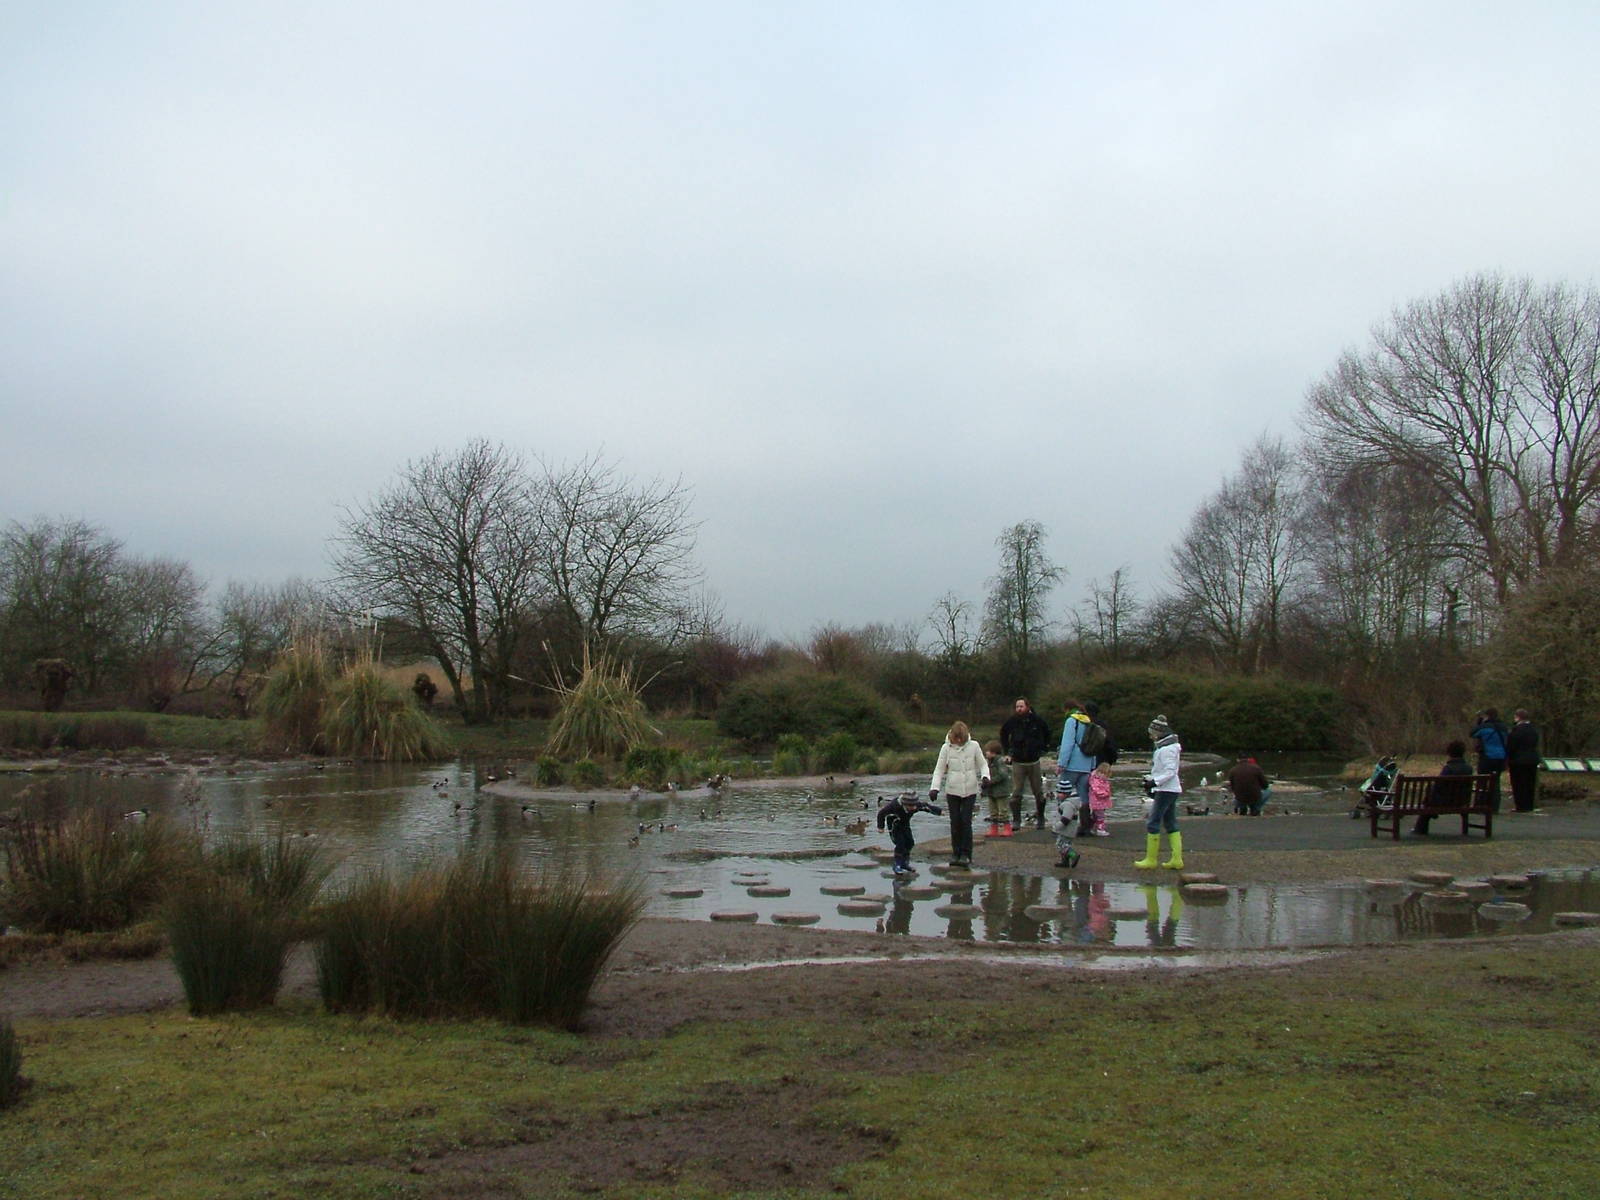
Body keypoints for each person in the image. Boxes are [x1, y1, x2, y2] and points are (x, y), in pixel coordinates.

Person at [929, 720, 989, 868]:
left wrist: (985, 777)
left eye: (962, 739)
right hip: (952, 789)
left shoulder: (974, 746)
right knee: (955, 822)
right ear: (952, 736)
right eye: (957, 739)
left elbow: (983, 764)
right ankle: (955, 853)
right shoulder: (946, 748)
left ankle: (966, 854)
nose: (959, 741)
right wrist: (934, 788)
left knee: (966, 821)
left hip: (970, 789)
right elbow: (939, 769)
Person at [1134, 714, 1184, 870]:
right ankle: (1176, 859)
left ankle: (1151, 859)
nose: (1150, 736)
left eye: (1151, 732)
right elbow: (1165, 771)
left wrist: (1154, 782)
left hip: (1166, 789)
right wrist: (1150, 778)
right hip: (1169, 788)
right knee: (1170, 822)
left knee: (1153, 821)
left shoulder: (1166, 750)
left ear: (1158, 732)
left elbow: (1170, 771)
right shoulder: (1167, 748)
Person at [999, 697, 1052, 833]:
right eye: (1017, 707)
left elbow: (1047, 733)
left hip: (1034, 761)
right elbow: (1003, 733)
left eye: (1021, 706)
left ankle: (1040, 818)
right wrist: (1007, 751)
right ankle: (1017, 820)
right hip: (1018, 761)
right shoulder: (1012, 721)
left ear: (1028, 706)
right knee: (1016, 792)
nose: (1019, 709)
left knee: (1038, 791)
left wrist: (1044, 748)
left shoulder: (1037, 720)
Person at [1413, 740, 1473, 836]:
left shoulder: (1448, 768)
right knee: (1430, 801)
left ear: (1449, 753)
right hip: (1462, 801)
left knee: (1428, 802)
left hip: (1445, 801)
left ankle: (1420, 829)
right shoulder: (1469, 768)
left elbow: (1439, 785)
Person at [1076, 701, 1118, 837]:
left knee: (1084, 794)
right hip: (1100, 763)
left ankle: (1085, 824)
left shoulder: (1082, 724)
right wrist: (1110, 761)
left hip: (1083, 763)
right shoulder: (1103, 725)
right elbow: (1110, 745)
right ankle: (1097, 823)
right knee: (1099, 794)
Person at [877, 792, 942, 875]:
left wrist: (939, 812)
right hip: (894, 825)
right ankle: (897, 864)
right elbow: (881, 814)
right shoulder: (894, 806)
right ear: (904, 804)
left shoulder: (915, 805)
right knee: (900, 844)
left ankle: (904, 863)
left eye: (915, 805)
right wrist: (880, 827)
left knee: (910, 843)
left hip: (905, 824)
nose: (914, 808)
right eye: (911, 806)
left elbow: (926, 807)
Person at [1056, 700, 1096, 833]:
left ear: (1067, 709)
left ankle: (1065, 825)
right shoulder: (1088, 721)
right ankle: (1085, 827)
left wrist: (1062, 763)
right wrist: (1092, 765)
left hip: (1072, 764)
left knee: (1063, 794)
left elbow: (1067, 744)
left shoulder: (1071, 721)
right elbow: (1093, 744)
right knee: (1084, 797)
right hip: (1086, 764)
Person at [1469, 708, 1510, 813]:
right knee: (1495, 782)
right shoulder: (1503, 727)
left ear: (1487, 716)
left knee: (1482, 781)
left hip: (1487, 757)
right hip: (1500, 757)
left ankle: (1480, 805)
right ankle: (1494, 806)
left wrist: (1479, 723)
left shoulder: (1485, 727)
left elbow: (1472, 733)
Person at [1505, 709, 1541, 813]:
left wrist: (1508, 758)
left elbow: (1511, 745)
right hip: (1532, 759)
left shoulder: (1516, 730)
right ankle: (1529, 805)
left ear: (1517, 717)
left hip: (1518, 760)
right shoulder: (1534, 730)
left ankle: (1520, 805)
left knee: (1518, 783)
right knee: (1530, 783)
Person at [981, 739, 1012, 834]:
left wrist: (991, 781)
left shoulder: (1000, 761)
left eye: (988, 751)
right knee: (993, 811)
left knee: (1003, 810)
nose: (986, 753)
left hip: (1001, 791)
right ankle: (994, 829)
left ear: (993, 752)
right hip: (992, 791)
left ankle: (1007, 828)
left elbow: (1003, 775)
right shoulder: (988, 762)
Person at [1053, 776, 1082, 869]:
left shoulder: (1067, 804)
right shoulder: (1069, 802)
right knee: (1065, 844)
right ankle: (1064, 861)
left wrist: (1057, 826)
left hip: (1067, 829)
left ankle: (1074, 855)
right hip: (1070, 828)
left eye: (1060, 793)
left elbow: (1066, 819)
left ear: (1066, 794)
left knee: (1061, 845)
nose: (1058, 795)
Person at [1085, 768, 1113, 835]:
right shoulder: (1095, 781)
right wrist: (1106, 794)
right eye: (1104, 774)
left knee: (1096, 816)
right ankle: (1100, 829)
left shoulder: (1102, 781)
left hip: (1101, 801)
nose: (1105, 776)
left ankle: (1091, 828)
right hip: (1097, 802)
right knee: (1100, 816)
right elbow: (1097, 791)